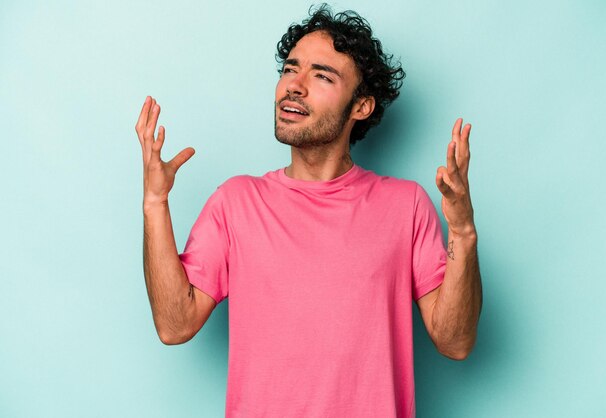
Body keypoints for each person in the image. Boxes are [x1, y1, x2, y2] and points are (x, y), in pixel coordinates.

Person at [135, 5, 481, 417]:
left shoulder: (406, 206)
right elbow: (175, 325)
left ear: (362, 106)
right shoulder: (237, 202)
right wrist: (155, 204)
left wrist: (462, 231)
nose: (294, 86)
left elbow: (454, 341)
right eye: (289, 69)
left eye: (321, 75)